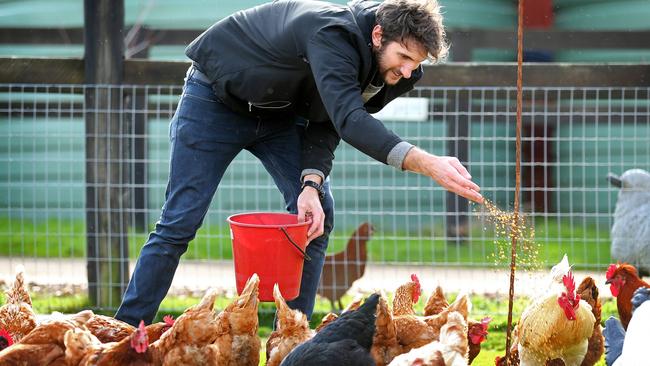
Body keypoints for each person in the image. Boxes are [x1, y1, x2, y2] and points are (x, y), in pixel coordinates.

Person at [115, 0, 484, 326]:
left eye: (416, 63)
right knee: (180, 221)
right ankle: (125, 334)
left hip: (280, 112)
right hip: (214, 100)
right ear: (377, 35)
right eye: (403, 57)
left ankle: (293, 341)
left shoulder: (397, 73)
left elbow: (327, 120)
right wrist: (426, 162)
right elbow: (349, 118)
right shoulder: (332, 33)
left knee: (316, 215)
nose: (408, 71)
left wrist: (311, 183)